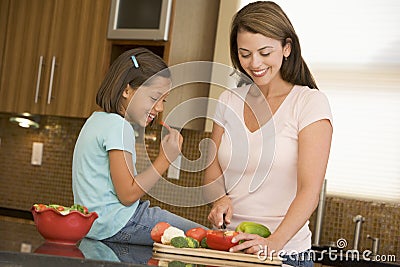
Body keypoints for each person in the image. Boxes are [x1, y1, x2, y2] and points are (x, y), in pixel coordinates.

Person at [204, 1, 332, 266]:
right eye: (245, 54)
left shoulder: (309, 103)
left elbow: (310, 191)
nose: (255, 63)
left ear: (287, 48)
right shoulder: (229, 100)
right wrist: (219, 198)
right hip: (229, 248)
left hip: (286, 253)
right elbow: (212, 166)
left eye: (264, 52)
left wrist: (274, 243)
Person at [72, 48, 204, 245]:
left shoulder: (95, 120)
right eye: (154, 98)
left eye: (164, 101)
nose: (159, 108)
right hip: (121, 224)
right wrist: (165, 159)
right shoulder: (119, 127)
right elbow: (127, 194)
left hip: (96, 228)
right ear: (126, 90)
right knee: (204, 237)